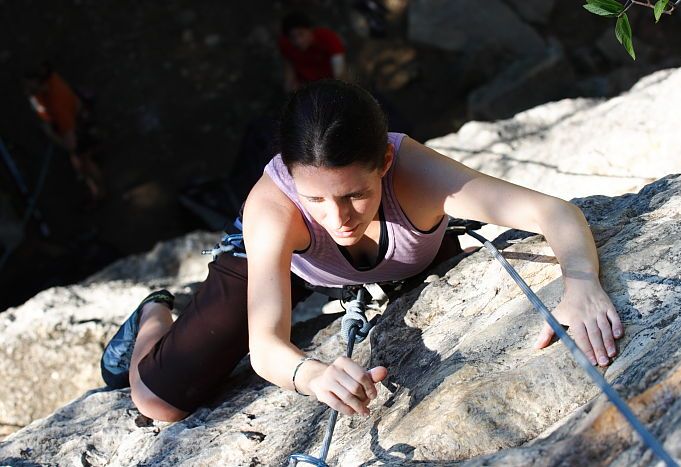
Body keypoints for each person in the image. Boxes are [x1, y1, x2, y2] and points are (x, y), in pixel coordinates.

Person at [101, 80, 624, 422]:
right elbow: (265, 344)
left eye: (355, 194)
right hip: (289, 259)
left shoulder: (415, 174)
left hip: (386, 255)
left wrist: (580, 281)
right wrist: (313, 374)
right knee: (156, 400)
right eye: (316, 199)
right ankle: (154, 313)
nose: (339, 217)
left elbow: (551, 212)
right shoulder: (275, 208)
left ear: (385, 164)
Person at [24, 62, 104, 204]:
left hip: (76, 126)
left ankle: (99, 192)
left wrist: (50, 134)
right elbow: (38, 104)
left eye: (31, 87)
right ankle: (94, 154)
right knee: (80, 158)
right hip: (77, 112)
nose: (27, 90)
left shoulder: (58, 109)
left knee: (83, 162)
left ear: (41, 85)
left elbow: (71, 145)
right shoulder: (50, 79)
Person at [278, 11, 347, 92]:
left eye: (301, 34)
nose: (298, 41)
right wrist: (289, 85)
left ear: (310, 30)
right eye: (292, 37)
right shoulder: (285, 43)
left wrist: (336, 90)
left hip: (329, 84)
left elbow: (340, 73)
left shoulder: (328, 38)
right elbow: (289, 64)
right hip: (305, 86)